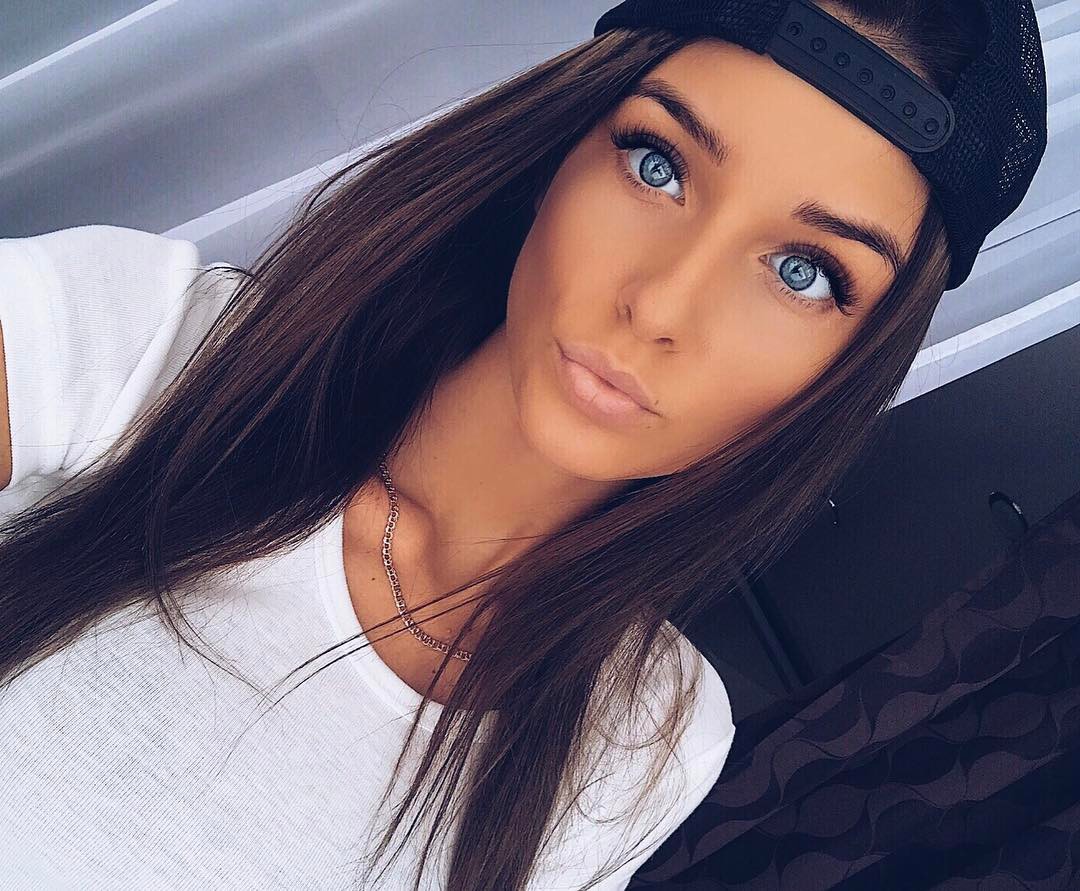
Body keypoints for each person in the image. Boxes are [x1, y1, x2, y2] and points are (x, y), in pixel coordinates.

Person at [0, 0, 1046, 888]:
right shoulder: (159, 349)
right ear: (558, 154)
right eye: (658, 166)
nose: (661, 304)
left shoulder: (648, 736)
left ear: (848, 370)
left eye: (803, 272)